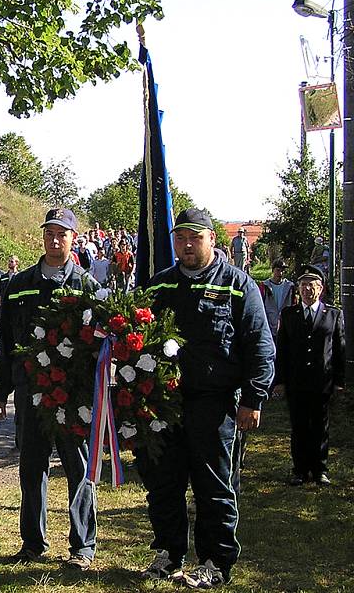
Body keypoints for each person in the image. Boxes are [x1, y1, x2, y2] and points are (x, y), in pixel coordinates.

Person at [139, 208, 274, 588]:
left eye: (195, 237)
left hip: (215, 406)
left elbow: (260, 345)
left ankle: (215, 561)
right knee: (164, 482)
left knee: (214, 485)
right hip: (165, 404)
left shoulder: (238, 286)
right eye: (180, 237)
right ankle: (169, 552)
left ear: (212, 240)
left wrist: (253, 398)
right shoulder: (159, 286)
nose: (186, 245)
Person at [0, 208, 100, 572]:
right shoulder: (19, 285)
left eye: (62, 234)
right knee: (32, 466)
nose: (55, 240)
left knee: (77, 467)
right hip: (31, 391)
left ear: (73, 238)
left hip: (73, 395)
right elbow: (7, 343)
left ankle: (82, 546)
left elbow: (101, 348)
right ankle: (32, 543)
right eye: (49, 233)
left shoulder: (87, 287)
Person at [273, 265, 344, 487]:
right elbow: (281, 350)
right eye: (302, 285)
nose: (306, 289)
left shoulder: (333, 314)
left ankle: (320, 469)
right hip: (297, 381)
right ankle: (300, 469)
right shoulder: (289, 314)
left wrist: (339, 382)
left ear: (320, 288)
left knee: (320, 426)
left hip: (322, 381)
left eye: (311, 285)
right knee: (299, 426)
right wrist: (280, 381)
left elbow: (340, 350)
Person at [259, 259, 295, 340]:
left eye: (283, 271)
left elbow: (294, 304)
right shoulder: (265, 286)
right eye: (278, 270)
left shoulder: (290, 286)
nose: (280, 273)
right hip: (269, 323)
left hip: (285, 324)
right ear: (273, 270)